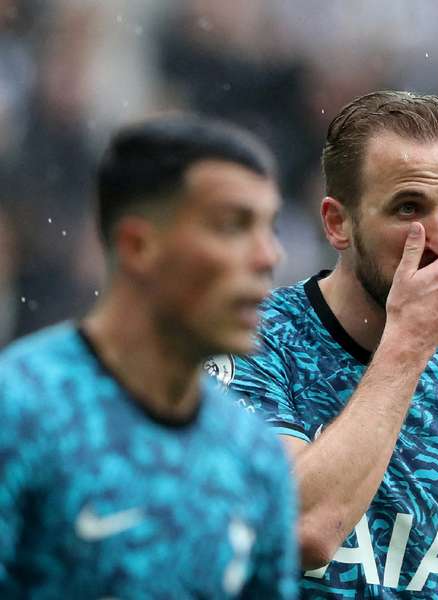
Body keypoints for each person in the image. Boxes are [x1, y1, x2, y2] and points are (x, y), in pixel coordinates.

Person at [0, 115, 298, 598]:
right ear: (138, 246)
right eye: (232, 225)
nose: (270, 256)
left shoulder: (253, 456)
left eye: (270, 227)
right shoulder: (21, 411)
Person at [224, 90, 438, 597]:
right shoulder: (251, 343)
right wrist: (408, 344)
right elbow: (303, 528)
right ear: (338, 223)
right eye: (408, 207)